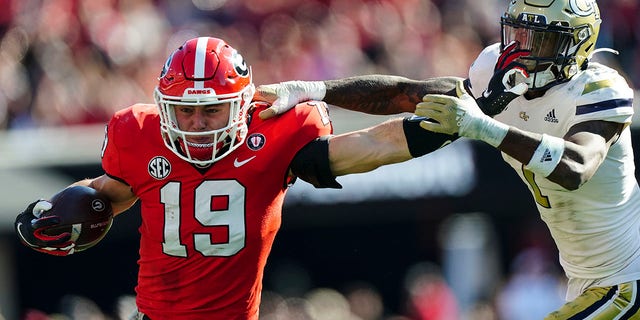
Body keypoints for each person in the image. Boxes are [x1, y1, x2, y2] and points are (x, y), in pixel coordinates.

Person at [13, 36, 458, 320]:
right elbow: (113, 193)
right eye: (185, 110)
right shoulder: (138, 135)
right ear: (164, 107)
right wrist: (64, 211)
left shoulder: (278, 133)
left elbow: (373, 147)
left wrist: (449, 123)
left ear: (243, 105)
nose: (197, 123)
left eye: (211, 110)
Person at [253, 0, 640, 318]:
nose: (521, 49)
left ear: (576, 47)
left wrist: (485, 128)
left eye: (539, 40)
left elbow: (576, 167)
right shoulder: (495, 72)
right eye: (518, 34)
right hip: (589, 278)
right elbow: (407, 94)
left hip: (628, 279)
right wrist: (314, 89)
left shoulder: (598, 90)